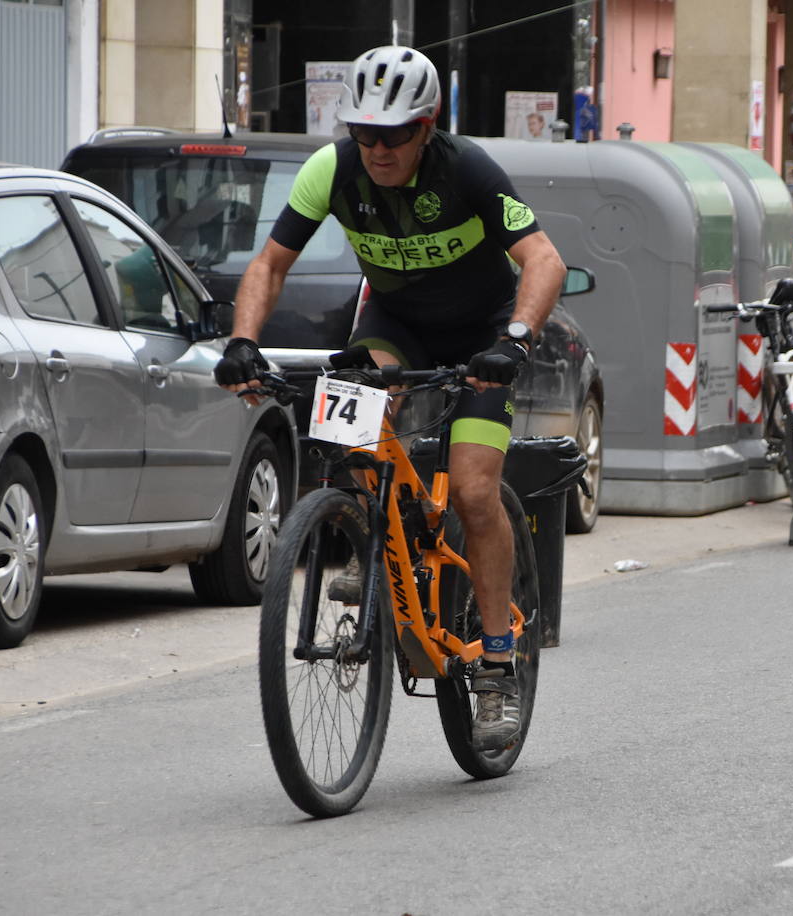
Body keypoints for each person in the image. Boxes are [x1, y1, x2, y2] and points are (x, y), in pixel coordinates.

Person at [214, 45, 566, 750]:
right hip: (396, 322)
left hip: (483, 334)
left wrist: (517, 342)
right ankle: (367, 540)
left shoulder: (465, 170)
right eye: (362, 133)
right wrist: (242, 342)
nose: (376, 148)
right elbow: (269, 263)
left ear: (427, 125)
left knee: (472, 491)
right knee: (350, 427)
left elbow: (544, 259)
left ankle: (496, 662)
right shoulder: (333, 169)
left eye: (394, 134)